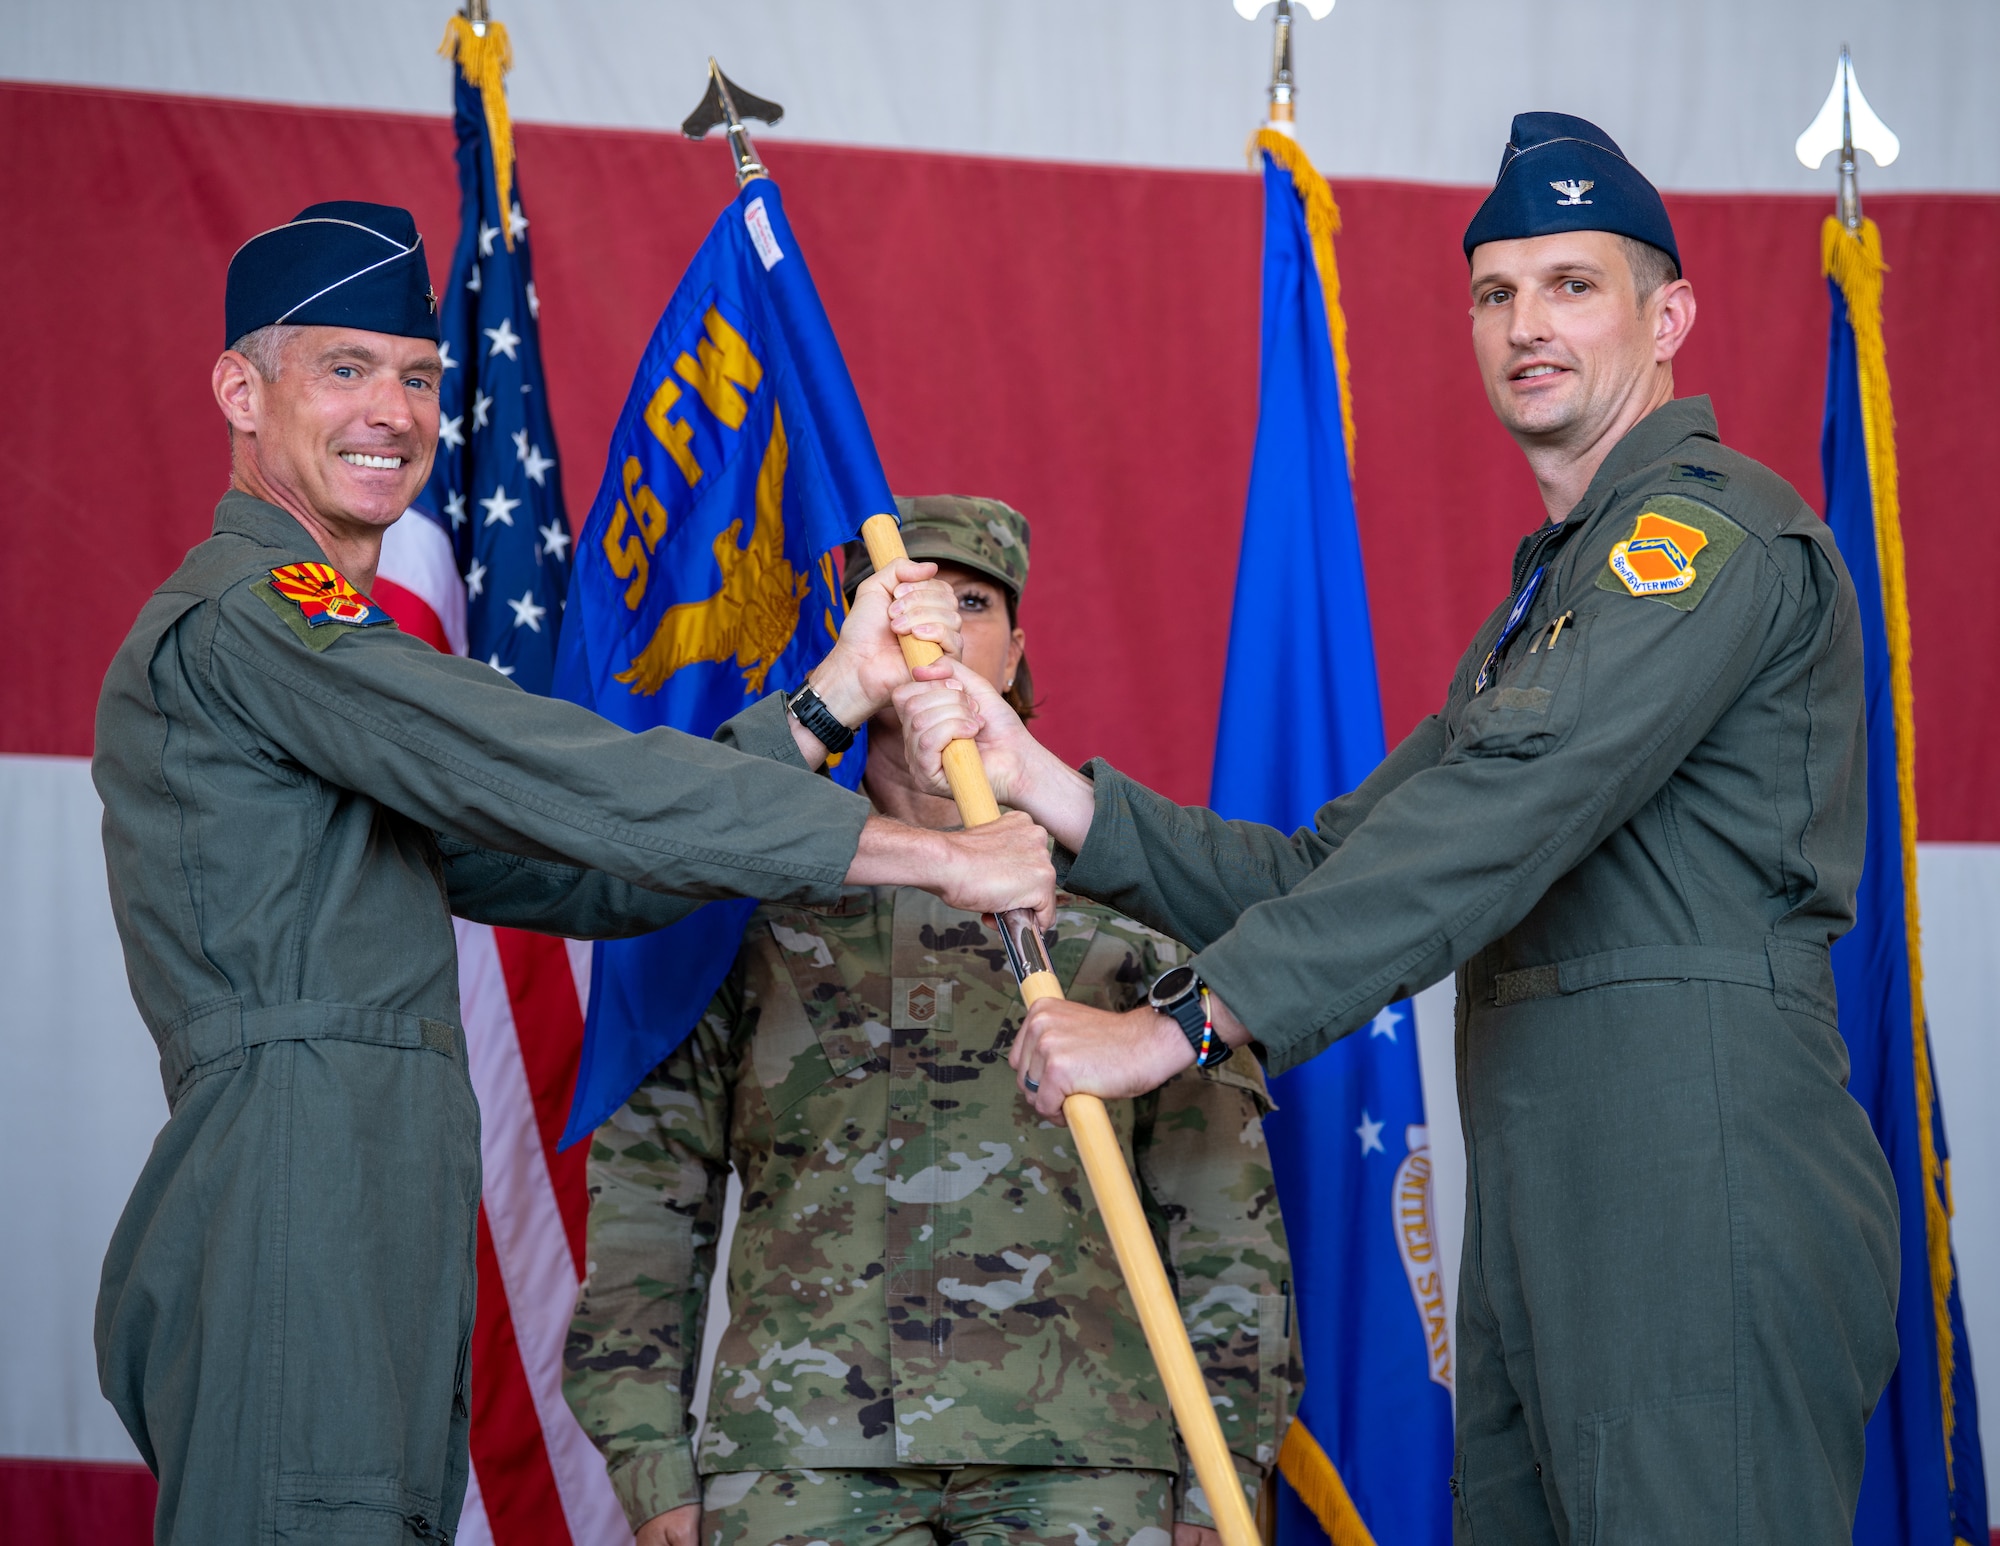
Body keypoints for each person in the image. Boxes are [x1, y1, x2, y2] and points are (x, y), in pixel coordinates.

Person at [896, 118, 1900, 1543]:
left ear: (1668, 315)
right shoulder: (1550, 604)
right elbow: (1330, 871)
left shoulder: (1708, 537)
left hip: (1698, 1187)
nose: (1526, 326)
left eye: (1572, 286)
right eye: (1497, 293)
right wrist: (1049, 782)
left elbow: (1500, 814)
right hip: (1556, 1200)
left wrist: (1183, 1025)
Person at [91, 204, 1054, 1546]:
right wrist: (935, 856)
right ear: (241, 391)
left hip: (363, 1172)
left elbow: (586, 866)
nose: (395, 411)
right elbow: (567, 777)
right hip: (295, 1174)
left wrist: (833, 698)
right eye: (344, 368)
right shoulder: (261, 619)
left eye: (420, 377)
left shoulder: (334, 649)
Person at [564, 498, 1296, 1546]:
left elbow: (1223, 1218)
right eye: (898, 597)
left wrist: (1216, 1471)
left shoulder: (1121, 922)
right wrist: (646, 1458)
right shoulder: (736, 915)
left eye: (968, 601)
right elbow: (650, 1188)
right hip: (800, 1455)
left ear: (1013, 656)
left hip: (1083, 1456)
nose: (931, 625)